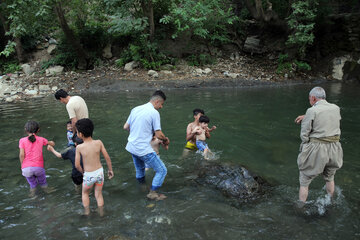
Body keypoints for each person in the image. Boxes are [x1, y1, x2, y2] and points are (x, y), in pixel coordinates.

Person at [294, 86, 343, 204]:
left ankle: (301, 207)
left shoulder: (312, 111)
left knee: (304, 180)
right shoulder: (336, 108)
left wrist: (304, 149)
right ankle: (330, 202)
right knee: (330, 178)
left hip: (317, 149)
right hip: (335, 148)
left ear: (313, 98)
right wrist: (306, 116)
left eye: (310, 99)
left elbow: (304, 135)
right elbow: (327, 118)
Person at [123, 90, 170, 201]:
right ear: (157, 102)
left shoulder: (135, 109)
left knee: (140, 169)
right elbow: (158, 134)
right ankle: (152, 193)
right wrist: (166, 140)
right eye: (162, 104)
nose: (161, 107)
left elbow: (125, 127)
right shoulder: (154, 113)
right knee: (162, 170)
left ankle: (142, 188)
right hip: (142, 148)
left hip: (131, 146)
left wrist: (137, 133)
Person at [74, 118, 114, 215]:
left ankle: (87, 213)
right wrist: (110, 170)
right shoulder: (99, 143)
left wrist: (83, 173)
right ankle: (101, 213)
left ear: (81, 134)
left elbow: (77, 165)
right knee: (99, 194)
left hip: (89, 175)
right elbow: (107, 158)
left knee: (85, 193)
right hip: (99, 173)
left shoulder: (79, 147)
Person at [19, 121, 55, 196]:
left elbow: (22, 155)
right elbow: (52, 143)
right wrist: (51, 143)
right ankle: (47, 190)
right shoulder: (42, 139)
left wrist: (22, 166)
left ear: (26, 129)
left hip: (26, 168)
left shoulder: (22, 140)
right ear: (38, 130)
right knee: (43, 182)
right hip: (39, 167)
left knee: (32, 185)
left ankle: (33, 195)